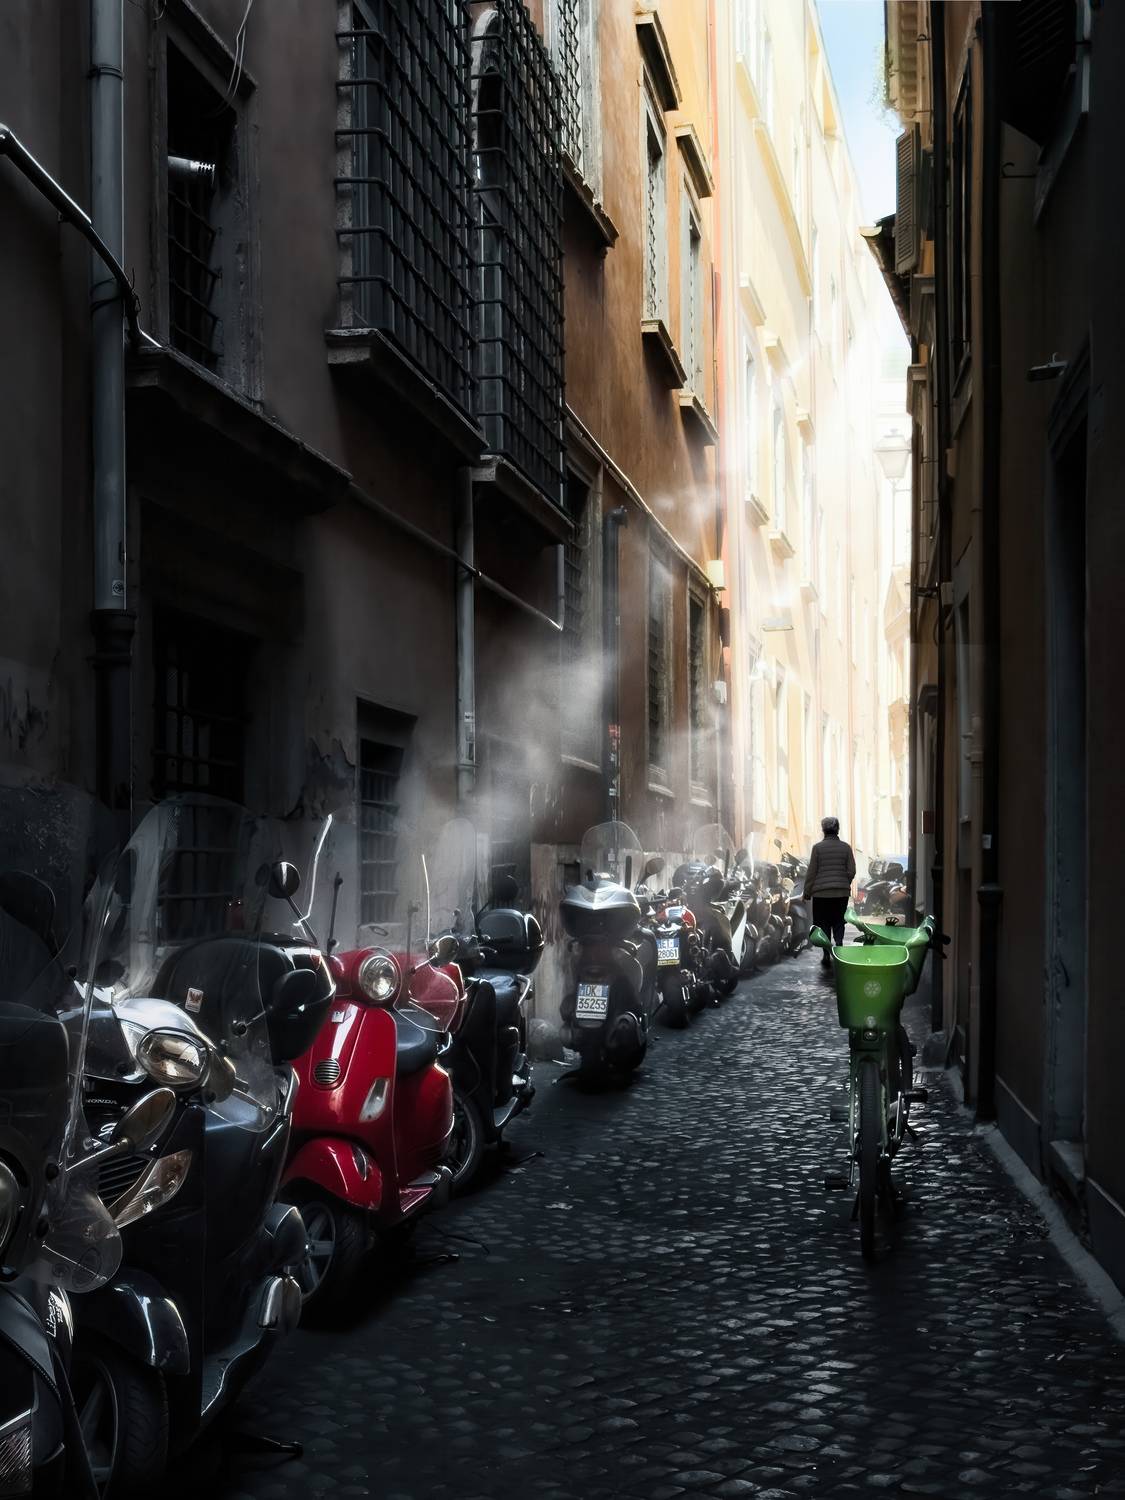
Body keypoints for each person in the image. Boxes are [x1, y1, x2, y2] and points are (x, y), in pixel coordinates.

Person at [803, 816, 856, 964]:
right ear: (837, 829)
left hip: (821, 894)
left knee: (824, 922)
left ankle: (826, 953)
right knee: (838, 921)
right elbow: (851, 870)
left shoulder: (817, 848)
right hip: (841, 893)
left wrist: (807, 892)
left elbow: (812, 872)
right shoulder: (846, 848)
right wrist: (843, 882)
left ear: (823, 830)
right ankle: (839, 947)